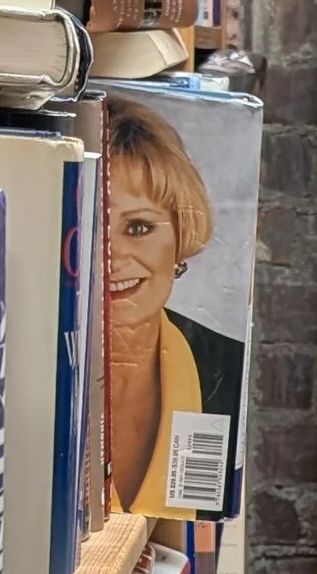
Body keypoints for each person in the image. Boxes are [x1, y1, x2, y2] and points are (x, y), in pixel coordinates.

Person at [103, 95, 243, 515]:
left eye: (139, 227)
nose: (114, 256)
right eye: (92, 222)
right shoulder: (16, 364)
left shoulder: (226, 367)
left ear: (179, 236)